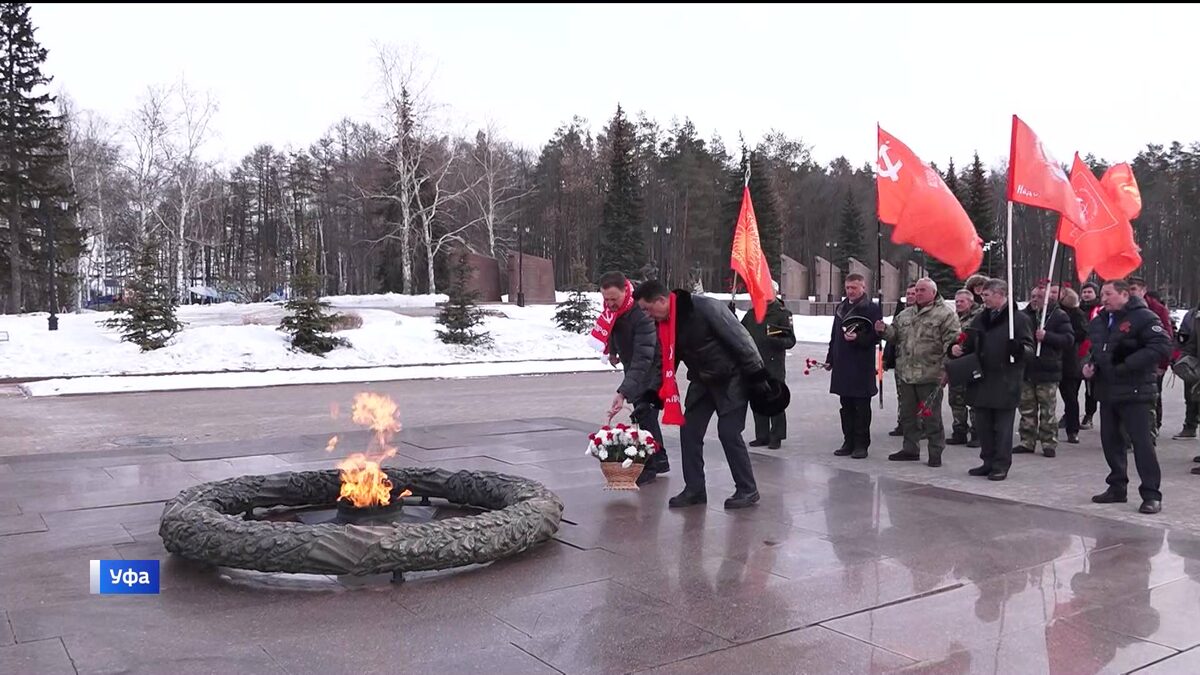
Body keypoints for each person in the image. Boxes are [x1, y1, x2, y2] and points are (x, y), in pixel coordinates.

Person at [634, 280, 773, 509]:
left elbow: (742, 341)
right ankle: (695, 489)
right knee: (689, 432)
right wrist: (652, 397)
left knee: (728, 433)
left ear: (661, 300)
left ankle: (748, 489)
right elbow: (665, 361)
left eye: (648, 309)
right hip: (702, 381)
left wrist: (759, 378)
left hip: (732, 380)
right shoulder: (666, 323)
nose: (648, 315)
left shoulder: (707, 308)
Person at [1083, 279, 1171, 514]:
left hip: (1136, 390)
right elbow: (1097, 350)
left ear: (1124, 294)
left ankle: (1151, 494)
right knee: (1111, 443)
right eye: (1102, 294)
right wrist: (1090, 366)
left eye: (1108, 294)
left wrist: (1127, 364)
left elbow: (1161, 346)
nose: (1103, 299)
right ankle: (1117, 487)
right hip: (1107, 390)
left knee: (1142, 444)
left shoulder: (1144, 317)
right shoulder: (1101, 320)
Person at [949, 279, 1034, 481]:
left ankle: (1001, 464)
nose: (983, 299)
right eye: (983, 295)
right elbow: (968, 341)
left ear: (1001, 294)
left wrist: (1019, 349)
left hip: (1005, 380)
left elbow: (1030, 351)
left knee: (1002, 427)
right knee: (983, 425)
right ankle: (987, 461)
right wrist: (955, 349)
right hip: (980, 378)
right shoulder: (981, 319)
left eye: (987, 295)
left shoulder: (1018, 320)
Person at [874, 277, 960, 467]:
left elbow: (952, 344)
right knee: (908, 415)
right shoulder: (905, 315)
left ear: (933, 293)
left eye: (922, 290)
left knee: (931, 417)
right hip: (906, 374)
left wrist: (947, 369)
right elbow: (895, 336)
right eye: (916, 290)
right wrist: (884, 330)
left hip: (930, 374)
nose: (918, 294)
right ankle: (910, 448)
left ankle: (935, 451)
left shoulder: (945, 315)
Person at [597, 272, 671, 485]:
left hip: (652, 368)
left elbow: (644, 356)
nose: (610, 304)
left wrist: (623, 392)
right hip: (634, 366)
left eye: (614, 299)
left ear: (625, 291)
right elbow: (612, 327)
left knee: (643, 415)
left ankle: (649, 466)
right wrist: (611, 350)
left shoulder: (641, 313)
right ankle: (660, 458)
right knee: (646, 416)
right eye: (606, 299)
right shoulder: (618, 309)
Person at [826, 273, 883, 458]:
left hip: (861, 365)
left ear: (863, 288)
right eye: (848, 288)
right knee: (846, 406)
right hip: (842, 363)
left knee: (861, 407)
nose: (850, 291)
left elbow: (876, 337)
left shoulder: (872, 309)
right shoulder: (841, 307)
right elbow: (834, 335)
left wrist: (858, 338)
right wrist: (830, 358)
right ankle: (848, 441)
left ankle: (861, 444)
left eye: (854, 288)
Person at [1015, 285, 1073, 457]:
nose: (1035, 299)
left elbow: (1068, 339)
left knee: (1047, 409)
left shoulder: (1059, 316)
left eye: (1039, 296)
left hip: (1048, 369)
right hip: (1027, 369)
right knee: (1027, 408)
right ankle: (1027, 441)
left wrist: (1047, 337)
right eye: (1032, 296)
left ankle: (1048, 442)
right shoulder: (1023, 316)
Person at [742, 281, 796, 449]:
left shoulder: (782, 314)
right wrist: (731, 316)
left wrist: (775, 340)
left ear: (775, 293)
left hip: (774, 364)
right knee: (758, 399)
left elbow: (790, 341)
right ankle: (762, 435)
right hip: (754, 364)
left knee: (775, 399)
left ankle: (777, 435)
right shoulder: (751, 315)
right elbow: (739, 332)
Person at [1127, 276, 1174, 435]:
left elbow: (1166, 338)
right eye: (1129, 289)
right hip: (1130, 360)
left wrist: (1163, 364)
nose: (1131, 293)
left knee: (1152, 396)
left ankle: (1153, 428)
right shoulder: (1124, 308)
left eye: (1134, 289)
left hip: (1152, 360)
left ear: (1143, 290)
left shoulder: (1157, 309)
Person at [947, 288, 981, 447]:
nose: (959, 304)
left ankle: (977, 433)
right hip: (957, 363)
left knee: (974, 400)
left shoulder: (979, 317)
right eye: (957, 301)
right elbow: (949, 338)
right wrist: (951, 348)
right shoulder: (953, 319)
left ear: (971, 302)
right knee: (956, 399)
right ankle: (959, 430)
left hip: (973, 363)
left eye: (962, 301)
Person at [1055, 286, 1089, 444]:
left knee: (1070, 397)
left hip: (1068, 359)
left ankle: (1072, 429)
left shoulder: (1076, 313)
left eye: (1056, 292)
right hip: (1050, 359)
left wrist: (1062, 337)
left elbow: (1082, 334)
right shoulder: (1050, 312)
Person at [885, 283, 918, 437]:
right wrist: (887, 358)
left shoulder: (925, 313)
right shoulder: (901, 312)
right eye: (908, 293)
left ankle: (920, 425)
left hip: (919, 364)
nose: (911, 296)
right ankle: (903, 423)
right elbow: (893, 336)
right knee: (902, 395)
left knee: (918, 397)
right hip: (901, 362)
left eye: (914, 293)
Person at [1079, 282, 1102, 429]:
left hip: (1093, 350)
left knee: (1090, 387)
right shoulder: (1077, 309)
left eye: (1089, 292)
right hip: (1078, 349)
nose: (1086, 294)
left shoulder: (1099, 310)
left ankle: (1089, 414)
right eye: (1085, 292)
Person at [1176, 305, 1200, 441]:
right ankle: (1190, 426)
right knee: (1191, 397)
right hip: (1195, 366)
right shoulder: (1194, 315)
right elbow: (1188, 341)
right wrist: (1182, 359)